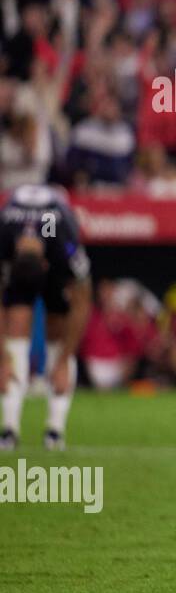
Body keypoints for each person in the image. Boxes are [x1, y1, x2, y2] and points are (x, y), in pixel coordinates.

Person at [0, 183, 92, 451]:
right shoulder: (3, 235)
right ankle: (9, 429)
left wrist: (64, 360)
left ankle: (55, 429)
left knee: (58, 331)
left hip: (55, 263)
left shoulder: (62, 237)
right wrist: (3, 358)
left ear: (45, 264)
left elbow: (83, 300)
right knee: (16, 329)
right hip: (21, 260)